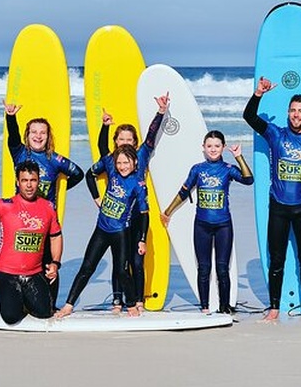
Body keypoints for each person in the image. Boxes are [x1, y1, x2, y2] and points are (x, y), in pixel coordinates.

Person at [243, 76, 301, 322]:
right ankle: (274, 308)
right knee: (277, 259)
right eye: (293, 110)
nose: (296, 115)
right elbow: (249, 117)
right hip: (278, 208)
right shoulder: (275, 134)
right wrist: (258, 94)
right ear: (288, 112)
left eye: (300, 111)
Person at [0, 160, 62, 324]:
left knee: (44, 313)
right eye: (24, 180)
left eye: (33, 180)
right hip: (7, 273)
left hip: (33, 272)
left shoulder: (48, 207)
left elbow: (55, 236)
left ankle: (25, 298)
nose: (29, 185)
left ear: (38, 182)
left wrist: (55, 262)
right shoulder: (5, 206)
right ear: (18, 182)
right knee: (11, 317)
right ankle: (15, 299)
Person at [161, 130, 254, 313]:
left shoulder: (227, 169)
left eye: (217, 146)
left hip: (223, 225)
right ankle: (204, 307)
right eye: (209, 146)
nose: (213, 149)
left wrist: (239, 157)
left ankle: (224, 307)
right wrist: (168, 212)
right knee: (204, 268)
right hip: (202, 225)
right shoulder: (197, 169)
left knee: (222, 269)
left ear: (223, 147)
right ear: (203, 148)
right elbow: (183, 192)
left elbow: (248, 179)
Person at [4, 101, 83, 309]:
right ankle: (23, 302)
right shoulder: (20, 154)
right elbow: (12, 138)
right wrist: (10, 118)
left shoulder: (55, 160)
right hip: (21, 219)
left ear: (48, 137)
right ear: (27, 135)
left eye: (43, 133)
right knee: (23, 261)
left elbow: (78, 174)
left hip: (46, 221)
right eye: (34, 132)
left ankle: (49, 305)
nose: (38, 136)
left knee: (49, 264)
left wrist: (58, 192)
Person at [95, 94, 169, 311]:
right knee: (120, 262)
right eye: (121, 139)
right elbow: (100, 148)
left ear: (135, 142)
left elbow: (152, 135)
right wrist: (105, 126)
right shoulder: (112, 160)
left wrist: (161, 112)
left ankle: (138, 300)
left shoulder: (141, 155)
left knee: (137, 261)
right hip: (117, 219)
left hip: (138, 216)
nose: (125, 142)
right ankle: (117, 300)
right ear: (116, 142)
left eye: (129, 139)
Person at [56, 145, 148, 318]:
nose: (122, 166)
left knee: (121, 271)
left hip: (121, 232)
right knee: (87, 267)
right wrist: (96, 197)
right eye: (119, 163)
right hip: (101, 229)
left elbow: (144, 214)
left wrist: (142, 239)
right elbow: (92, 170)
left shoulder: (139, 184)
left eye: (126, 162)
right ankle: (68, 305)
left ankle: (131, 304)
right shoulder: (113, 172)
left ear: (135, 162)